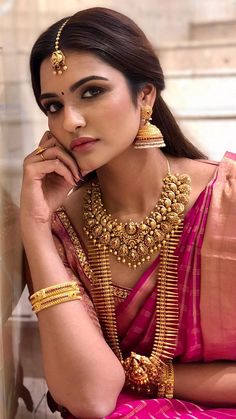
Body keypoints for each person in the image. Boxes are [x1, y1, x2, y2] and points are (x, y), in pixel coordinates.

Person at [20, 7, 236, 418]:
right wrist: (34, 229)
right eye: (53, 105)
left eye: (92, 91)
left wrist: (155, 378)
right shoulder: (61, 228)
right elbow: (91, 399)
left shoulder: (227, 199)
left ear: (145, 95)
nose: (71, 120)